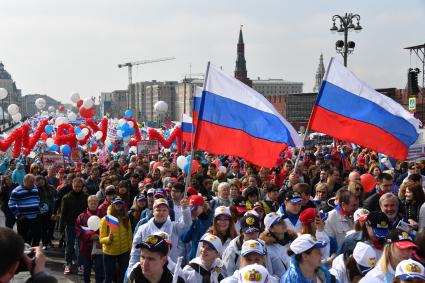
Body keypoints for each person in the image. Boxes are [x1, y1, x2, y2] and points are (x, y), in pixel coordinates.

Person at [130, 197, 191, 269]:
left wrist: (185, 210)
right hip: (149, 269)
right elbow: (135, 252)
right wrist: (131, 268)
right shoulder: (143, 229)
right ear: (153, 212)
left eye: (164, 210)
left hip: (170, 269)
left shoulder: (174, 227)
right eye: (158, 210)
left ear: (168, 212)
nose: (161, 213)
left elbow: (186, 224)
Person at [99, 196, 133, 283]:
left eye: (120, 204)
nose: (118, 205)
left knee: (123, 277)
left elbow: (129, 235)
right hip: (109, 253)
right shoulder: (105, 220)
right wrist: (108, 239)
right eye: (116, 204)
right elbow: (101, 239)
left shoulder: (126, 218)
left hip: (124, 252)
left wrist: (130, 249)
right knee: (109, 277)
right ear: (112, 205)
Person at [59, 177, 88, 275]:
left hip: (82, 226)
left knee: (80, 246)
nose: (77, 188)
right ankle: (68, 264)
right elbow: (63, 213)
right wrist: (61, 227)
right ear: (72, 186)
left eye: (79, 187)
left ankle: (80, 265)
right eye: (76, 186)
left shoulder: (86, 197)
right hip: (70, 224)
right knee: (69, 245)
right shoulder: (66, 197)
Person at [75, 195, 104, 283]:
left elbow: (107, 229)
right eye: (91, 203)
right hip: (86, 247)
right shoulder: (81, 216)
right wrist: (90, 236)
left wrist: (99, 237)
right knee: (86, 270)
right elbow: (78, 230)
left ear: (98, 203)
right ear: (88, 203)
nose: (93, 204)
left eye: (95, 203)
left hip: (99, 246)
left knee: (99, 270)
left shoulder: (103, 215)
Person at [260, 212, 297, 278]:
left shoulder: (294, 240)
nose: (283, 224)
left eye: (282, 221)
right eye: (278, 223)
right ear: (271, 229)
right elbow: (270, 274)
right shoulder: (267, 248)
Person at [8, 174, 41, 246]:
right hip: (23, 218)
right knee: (23, 239)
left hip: (35, 217)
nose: (32, 184)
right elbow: (11, 204)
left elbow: (37, 198)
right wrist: (18, 215)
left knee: (37, 235)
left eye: (33, 182)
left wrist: (38, 207)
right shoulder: (16, 191)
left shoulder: (34, 188)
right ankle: (24, 254)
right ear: (25, 181)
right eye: (30, 182)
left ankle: (33, 251)